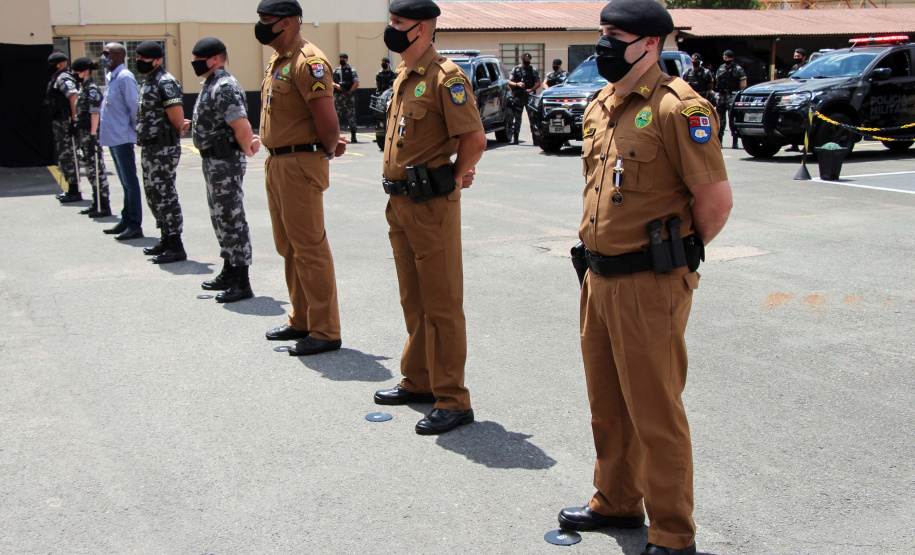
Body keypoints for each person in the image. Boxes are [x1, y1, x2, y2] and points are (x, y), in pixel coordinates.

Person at [556, 1, 733, 554]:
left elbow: (715, 201)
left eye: (617, 35)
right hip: (598, 278)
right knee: (607, 404)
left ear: (651, 43)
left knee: (656, 412)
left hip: (650, 283)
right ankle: (616, 501)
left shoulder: (679, 109)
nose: (604, 43)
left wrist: (678, 257)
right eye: (602, 33)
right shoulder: (602, 105)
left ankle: (673, 533)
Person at [371, 0, 487, 435]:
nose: (391, 29)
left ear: (421, 29)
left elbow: (473, 139)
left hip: (430, 204)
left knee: (441, 303)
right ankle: (419, 379)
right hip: (399, 202)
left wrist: (455, 179)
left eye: (398, 23)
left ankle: (453, 398)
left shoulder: (446, 77)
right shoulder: (405, 74)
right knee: (413, 298)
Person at [256, 0, 346, 356]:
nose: (262, 26)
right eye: (260, 19)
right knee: (289, 246)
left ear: (289, 22)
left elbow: (327, 119)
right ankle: (302, 318)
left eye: (268, 20)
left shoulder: (308, 61)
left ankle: (325, 329)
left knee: (309, 248)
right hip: (277, 162)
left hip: (299, 163)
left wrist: (325, 148)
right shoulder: (278, 61)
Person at [187, 37, 259, 303]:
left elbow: (241, 125)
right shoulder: (211, 83)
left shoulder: (225, 86)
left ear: (215, 58)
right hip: (214, 162)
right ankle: (229, 270)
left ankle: (242, 281)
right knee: (220, 217)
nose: (194, 63)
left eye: (198, 58)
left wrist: (249, 147)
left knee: (231, 217)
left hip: (225, 161)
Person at [135, 40, 187, 263]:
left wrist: (173, 132)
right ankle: (165, 237)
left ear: (158, 60)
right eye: (137, 58)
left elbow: (176, 117)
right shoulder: (148, 81)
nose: (139, 62)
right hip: (150, 146)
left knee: (164, 193)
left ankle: (176, 243)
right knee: (153, 193)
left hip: (163, 147)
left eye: (143, 59)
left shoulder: (165, 82)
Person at [98, 43, 143, 240]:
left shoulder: (125, 77)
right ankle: (126, 220)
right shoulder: (112, 78)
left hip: (123, 137)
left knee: (130, 183)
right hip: (114, 137)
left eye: (106, 53)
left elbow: (134, 108)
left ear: (118, 56)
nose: (103, 57)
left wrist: (138, 132)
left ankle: (134, 224)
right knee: (125, 183)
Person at [71, 57, 111, 218]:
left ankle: (103, 204)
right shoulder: (84, 87)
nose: (74, 75)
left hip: (91, 134)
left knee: (96, 169)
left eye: (76, 72)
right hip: (84, 134)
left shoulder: (91, 89)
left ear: (85, 71)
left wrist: (94, 135)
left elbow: (95, 113)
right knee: (89, 169)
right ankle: (96, 203)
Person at [45, 52, 80, 203]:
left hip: (65, 122)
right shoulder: (57, 78)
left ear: (59, 64)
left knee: (69, 156)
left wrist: (74, 120)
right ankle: (71, 188)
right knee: (64, 157)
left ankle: (74, 190)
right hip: (60, 122)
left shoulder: (63, 78)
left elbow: (73, 96)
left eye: (51, 64)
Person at [714, 49, 746, 149]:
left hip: (732, 96)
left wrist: (739, 95)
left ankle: (735, 142)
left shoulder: (738, 69)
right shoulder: (721, 68)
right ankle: (719, 141)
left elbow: (743, 84)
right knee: (720, 120)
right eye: (724, 57)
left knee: (733, 119)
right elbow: (717, 80)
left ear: (732, 58)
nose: (725, 59)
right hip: (722, 96)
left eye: (727, 58)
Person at [507, 51, 541, 144]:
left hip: (529, 96)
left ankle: (535, 139)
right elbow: (509, 82)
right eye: (526, 59)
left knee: (532, 118)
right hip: (518, 96)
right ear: (522, 59)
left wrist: (531, 89)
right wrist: (517, 84)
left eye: (529, 60)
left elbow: (538, 83)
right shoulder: (516, 69)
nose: (528, 61)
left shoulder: (533, 69)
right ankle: (516, 139)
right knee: (517, 118)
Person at [784, 48, 808, 152]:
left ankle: (806, 146)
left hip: (803, 97)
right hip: (793, 97)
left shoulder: (808, 68)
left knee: (804, 123)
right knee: (792, 121)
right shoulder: (794, 67)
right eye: (795, 56)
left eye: (798, 57)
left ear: (804, 57)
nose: (796, 58)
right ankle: (794, 145)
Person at [333, 52, 359, 143]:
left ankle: (353, 135)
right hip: (338, 96)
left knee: (351, 116)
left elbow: (356, 83)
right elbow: (330, 82)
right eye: (340, 59)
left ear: (347, 60)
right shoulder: (336, 71)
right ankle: (335, 136)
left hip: (348, 96)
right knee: (336, 117)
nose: (341, 60)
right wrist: (336, 86)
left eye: (343, 59)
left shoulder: (352, 70)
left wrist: (349, 92)